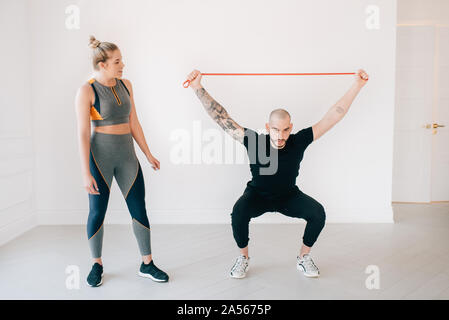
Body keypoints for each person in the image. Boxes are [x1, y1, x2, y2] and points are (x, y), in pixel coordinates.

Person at [186, 68, 369, 278]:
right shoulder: (254, 141)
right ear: (268, 127)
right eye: (275, 129)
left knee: (318, 213)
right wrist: (197, 87)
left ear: (290, 128)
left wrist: (357, 85)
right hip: (258, 196)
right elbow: (221, 117)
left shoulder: (298, 141)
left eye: (284, 130)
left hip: (288, 196)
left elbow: (333, 116)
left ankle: (303, 257)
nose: (280, 136)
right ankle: (243, 258)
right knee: (238, 213)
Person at [75, 36, 169, 287]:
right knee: (97, 212)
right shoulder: (87, 90)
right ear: (102, 64)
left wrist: (148, 154)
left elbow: (134, 122)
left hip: (128, 158)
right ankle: (97, 264)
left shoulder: (126, 85)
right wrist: (86, 172)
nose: (122, 65)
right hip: (100, 159)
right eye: (117, 61)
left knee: (139, 209)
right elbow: (83, 134)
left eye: (122, 60)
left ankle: (147, 263)